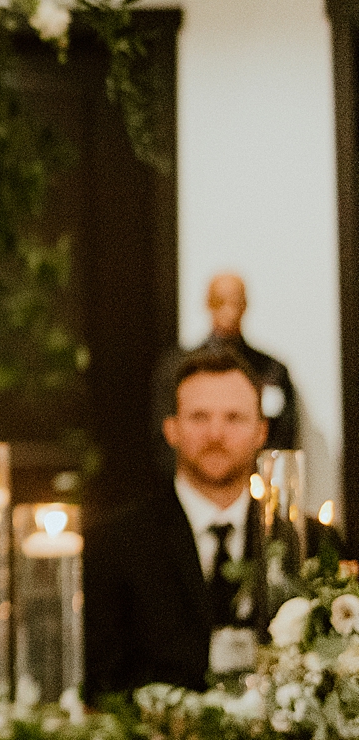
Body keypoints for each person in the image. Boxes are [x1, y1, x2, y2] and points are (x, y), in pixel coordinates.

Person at [87, 347, 288, 697]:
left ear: (261, 432)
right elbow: (103, 682)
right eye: (199, 417)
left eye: (234, 418)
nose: (215, 433)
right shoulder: (114, 546)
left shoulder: (306, 544)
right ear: (171, 429)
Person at [150, 273, 298, 474]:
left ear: (245, 305)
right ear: (207, 304)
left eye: (236, 301)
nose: (228, 309)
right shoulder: (175, 368)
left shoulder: (272, 369)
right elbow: (162, 436)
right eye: (220, 301)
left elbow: (284, 435)